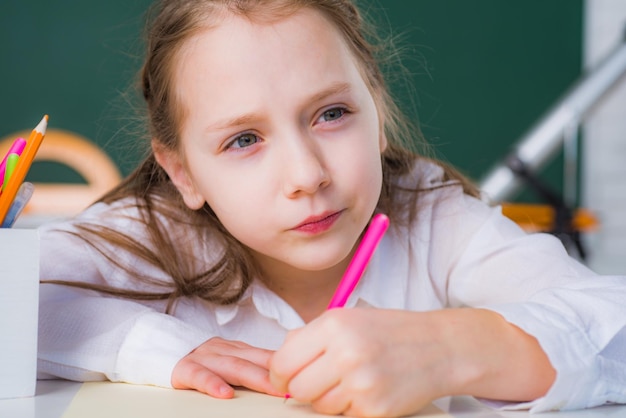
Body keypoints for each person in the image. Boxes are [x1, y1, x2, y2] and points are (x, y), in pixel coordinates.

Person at [37, 0, 626, 416]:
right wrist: (150, 346)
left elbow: (614, 334)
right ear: (184, 173)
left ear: (376, 110)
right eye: (244, 140)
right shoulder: (156, 232)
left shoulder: (433, 218)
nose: (307, 175)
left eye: (332, 114)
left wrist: (452, 348)